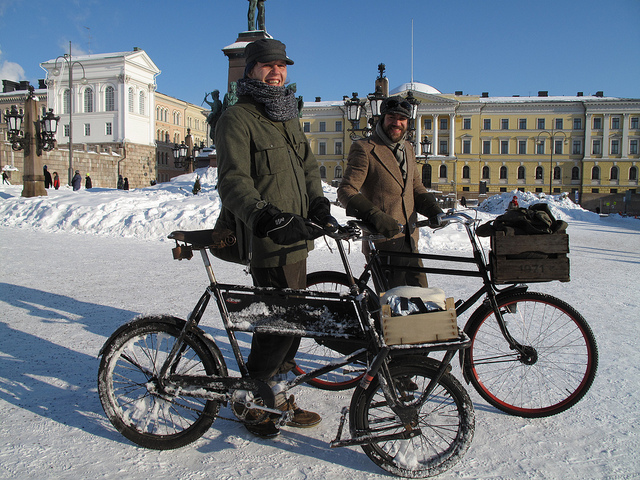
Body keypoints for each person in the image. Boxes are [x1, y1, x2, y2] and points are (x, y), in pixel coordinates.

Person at [215, 38, 336, 438]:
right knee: (277, 327)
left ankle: (277, 396)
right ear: (250, 69)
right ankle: (253, 400)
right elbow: (233, 182)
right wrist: (265, 216)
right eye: (267, 65)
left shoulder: (286, 116)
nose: (275, 71)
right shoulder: (237, 118)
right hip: (268, 239)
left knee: (291, 323)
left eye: (281, 65)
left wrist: (318, 205)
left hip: (298, 238)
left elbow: (308, 167)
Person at [338, 96, 443, 289]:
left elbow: (415, 188)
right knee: (391, 311)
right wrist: (374, 216)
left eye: (402, 119)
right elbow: (346, 190)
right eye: (391, 117)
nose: (397, 123)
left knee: (424, 303)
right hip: (382, 243)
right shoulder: (365, 148)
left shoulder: (409, 148)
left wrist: (434, 210)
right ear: (382, 119)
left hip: (410, 241)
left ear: (407, 122)